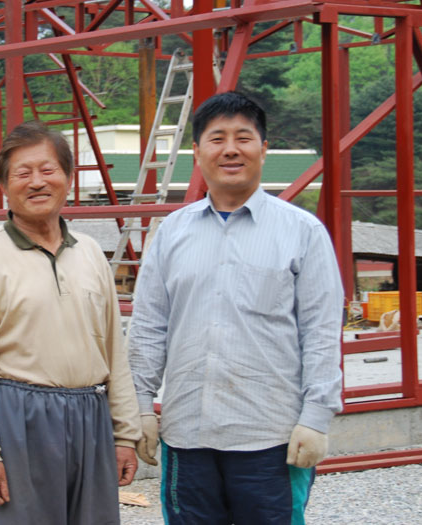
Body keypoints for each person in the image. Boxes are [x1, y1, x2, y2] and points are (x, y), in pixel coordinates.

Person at [127, 91, 344, 525]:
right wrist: (138, 405)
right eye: (217, 138)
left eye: (243, 138)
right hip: (188, 436)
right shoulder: (172, 233)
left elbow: (320, 331)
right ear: (197, 152)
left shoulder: (302, 233)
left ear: (263, 149)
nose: (230, 149)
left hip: (270, 438)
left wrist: (316, 417)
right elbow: (150, 326)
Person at [0, 120, 141, 524]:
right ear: (4, 186)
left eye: (48, 170)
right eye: (23, 173)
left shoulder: (89, 254)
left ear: (68, 178)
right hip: (21, 418)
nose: (37, 182)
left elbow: (114, 354)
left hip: (91, 415)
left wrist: (125, 434)